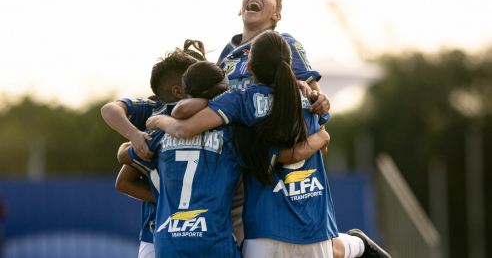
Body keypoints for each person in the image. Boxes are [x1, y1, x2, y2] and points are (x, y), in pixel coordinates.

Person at [147, 31, 390, 258]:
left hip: (265, 228)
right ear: (289, 64)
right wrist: (321, 136)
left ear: (249, 66)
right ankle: (355, 244)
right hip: (315, 226)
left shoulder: (241, 101)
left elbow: (183, 125)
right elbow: (312, 143)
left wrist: (158, 119)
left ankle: (355, 244)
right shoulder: (309, 97)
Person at [117, 60, 330, 258]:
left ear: (185, 91)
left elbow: (123, 156)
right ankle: (353, 245)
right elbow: (288, 156)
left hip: (167, 243)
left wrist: (141, 136)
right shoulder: (234, 135)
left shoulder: (162, 131)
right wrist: (322, 135)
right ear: (223, 93)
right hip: (214, 242)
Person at [216, 0, 331, 245]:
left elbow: (314, 96)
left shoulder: (283, 42)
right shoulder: (227, 51)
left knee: (272, 236)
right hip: (230, 155)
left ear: (276, 15)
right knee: (229, 237)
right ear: (240, 8)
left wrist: (320, 101)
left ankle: (352, 245)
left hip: (266, 155)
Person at [101, 41, 207, 258]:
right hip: (167, 227)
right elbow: (109, 109)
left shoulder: (206, 113)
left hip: (193, 227)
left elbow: (123, 169)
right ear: (178, 89)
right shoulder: (155, 111)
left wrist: (127, 147)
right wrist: (134, 135)